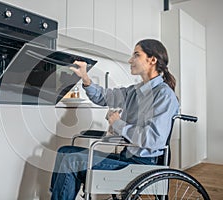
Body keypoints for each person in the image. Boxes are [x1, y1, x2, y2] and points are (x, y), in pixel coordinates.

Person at [50, 39, 179, 200]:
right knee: (65, 152)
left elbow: (153, 139)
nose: (130, 60)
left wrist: (118, 124)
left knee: (71, 160)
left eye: (136, 55)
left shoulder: (164, 96)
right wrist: (85, 78)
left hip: (144, 164)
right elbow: (104, 97)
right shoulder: (135, 91)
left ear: (152, 60)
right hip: (127, 157)